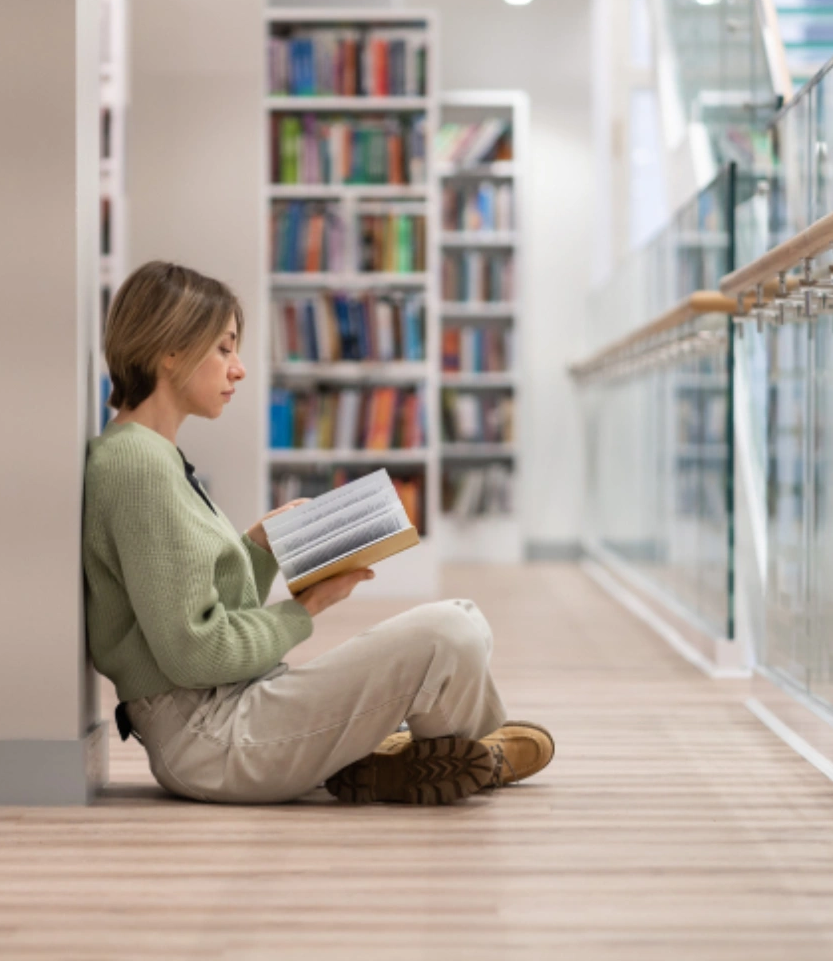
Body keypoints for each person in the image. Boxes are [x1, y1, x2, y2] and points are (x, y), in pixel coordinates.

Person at [83, 261, 554, 805]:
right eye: (224, 348)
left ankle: (421, 755)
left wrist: (259, 548)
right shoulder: (138, 465)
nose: (237, 369)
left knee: (464, 616)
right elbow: (194, 654)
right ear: (169, 351)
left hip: (234, 708)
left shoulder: (155, 456)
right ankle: (477, 754)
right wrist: (304, 611)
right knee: (448, 632)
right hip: (212, 740)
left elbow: (202, 610)